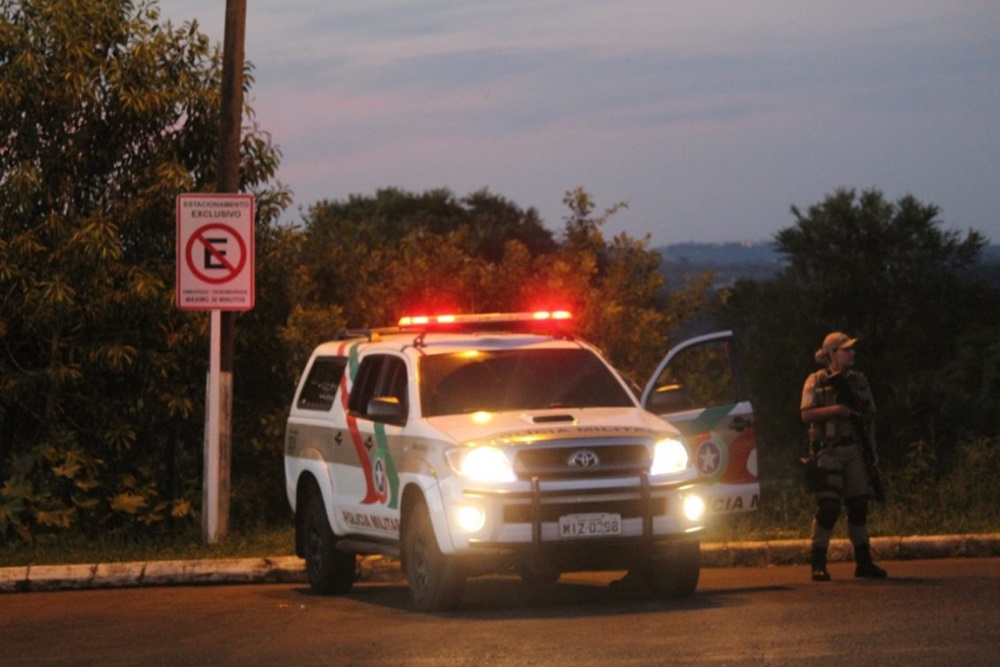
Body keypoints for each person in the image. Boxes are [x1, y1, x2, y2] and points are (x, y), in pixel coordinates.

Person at [800, 332, 887, 581]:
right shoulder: (815, 380)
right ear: (830, 355)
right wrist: (836, 410)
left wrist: (872, 452)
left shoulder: (859, 382)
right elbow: (806, 414)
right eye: (845, 350)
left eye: (851, 349)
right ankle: (818, 562)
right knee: (828, 507)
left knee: (858, 506)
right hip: (828, 450)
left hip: (855, 450)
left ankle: (864, 562)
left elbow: (868, 419)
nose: (851, 353)